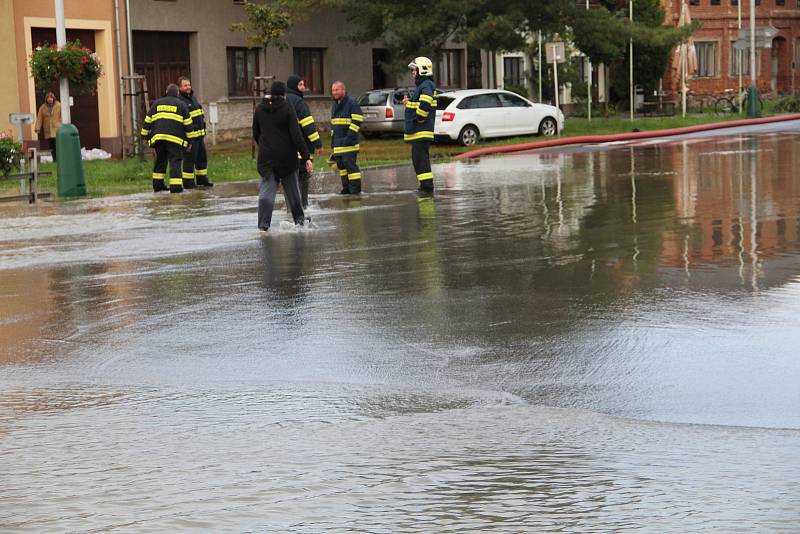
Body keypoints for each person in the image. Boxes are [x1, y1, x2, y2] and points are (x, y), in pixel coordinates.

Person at [253, 80, 313, 231]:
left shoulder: (259, 108)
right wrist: (306, 157)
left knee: (267, 192)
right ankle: (299, 222)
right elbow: (296, 135)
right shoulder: (287, 108)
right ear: (284, 94)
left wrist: (266, 146)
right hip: (286, 157)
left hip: (266, 158)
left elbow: (256, 133)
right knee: (293, 191)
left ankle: (263, 225)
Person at [140, 84, 193, 193]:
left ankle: (158, 185)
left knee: (160, 161)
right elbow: (188, 125)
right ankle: (176, 187)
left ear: (166, 92)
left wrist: (144, 136)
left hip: (159, 139)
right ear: (177, 93)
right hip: (175, 140)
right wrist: (190, 142)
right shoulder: (182, 105)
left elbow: (147, 121)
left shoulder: (156, 104)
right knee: (175, 162)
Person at [286, 74, 323, 208]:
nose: (303, 88)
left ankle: (291, 208)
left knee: (289, 181)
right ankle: (303, 207)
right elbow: (309, 127)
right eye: (300, 85)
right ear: (293, 86)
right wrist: (318, 144)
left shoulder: (283, 100)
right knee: (303, 179)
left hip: (285, 151)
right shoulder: (299, 103)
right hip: (302, 150)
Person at [403, 57, 438, 194]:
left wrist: (420, 117)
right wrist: (409, 103)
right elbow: (419, 102)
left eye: (414, 69)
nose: (412, 72)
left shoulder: (426, 85)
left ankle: (427, 187)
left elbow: (426, 101)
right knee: (418, 159)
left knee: (420, 160)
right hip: (418, 131)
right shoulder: (423, 85)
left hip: (421, 130)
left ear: (421, 70)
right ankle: (424, 186)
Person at [177, 76, 212, 189]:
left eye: (189, 85)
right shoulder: (180, 102)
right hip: (190, 138)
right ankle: (188, 182)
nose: (188, 87)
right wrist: (187, 140)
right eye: (185, 85)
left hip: (199, 136)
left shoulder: (193, 98)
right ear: (180, 87)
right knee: (189, 160)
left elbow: (199, 115)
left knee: (202, 159)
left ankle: (202, 179)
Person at [330, 81, 363, 195]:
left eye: (337, 90)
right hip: (338, 144)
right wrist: (333, 144)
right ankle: (346, 189)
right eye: (333, 90)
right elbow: (334, 125)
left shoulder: (352, 103)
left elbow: (357, 121)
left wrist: (348, 139)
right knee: (342, 168)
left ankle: (355, 191)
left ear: (343, 90)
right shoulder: (335, 105)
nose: (334, 92)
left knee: (351, 168)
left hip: (349, 144)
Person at [34, 92, 62, 162]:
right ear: (46, 99)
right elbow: (39, 118)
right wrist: (37, 128)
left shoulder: (59, 105)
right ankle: (55, 159)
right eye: (48, 98)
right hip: (48, 130)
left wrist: (63, 125)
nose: (50, 99)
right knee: (51, 146)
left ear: (53, 98)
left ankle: (60, 159)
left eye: (51, 97)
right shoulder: (42, 108)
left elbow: (63, 116)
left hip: (57, 129)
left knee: (57, 145)